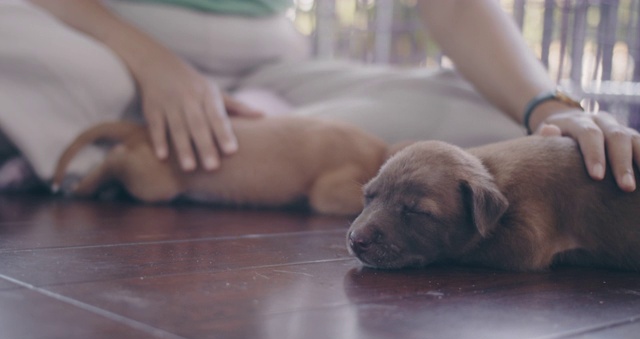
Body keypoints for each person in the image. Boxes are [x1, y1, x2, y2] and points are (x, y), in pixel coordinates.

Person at [0, 0, 638, 194]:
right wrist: (154, 65)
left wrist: (548, 107)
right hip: (107, 36)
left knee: (479, 118)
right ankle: (152, 131)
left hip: (273, 60)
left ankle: (233, 145)